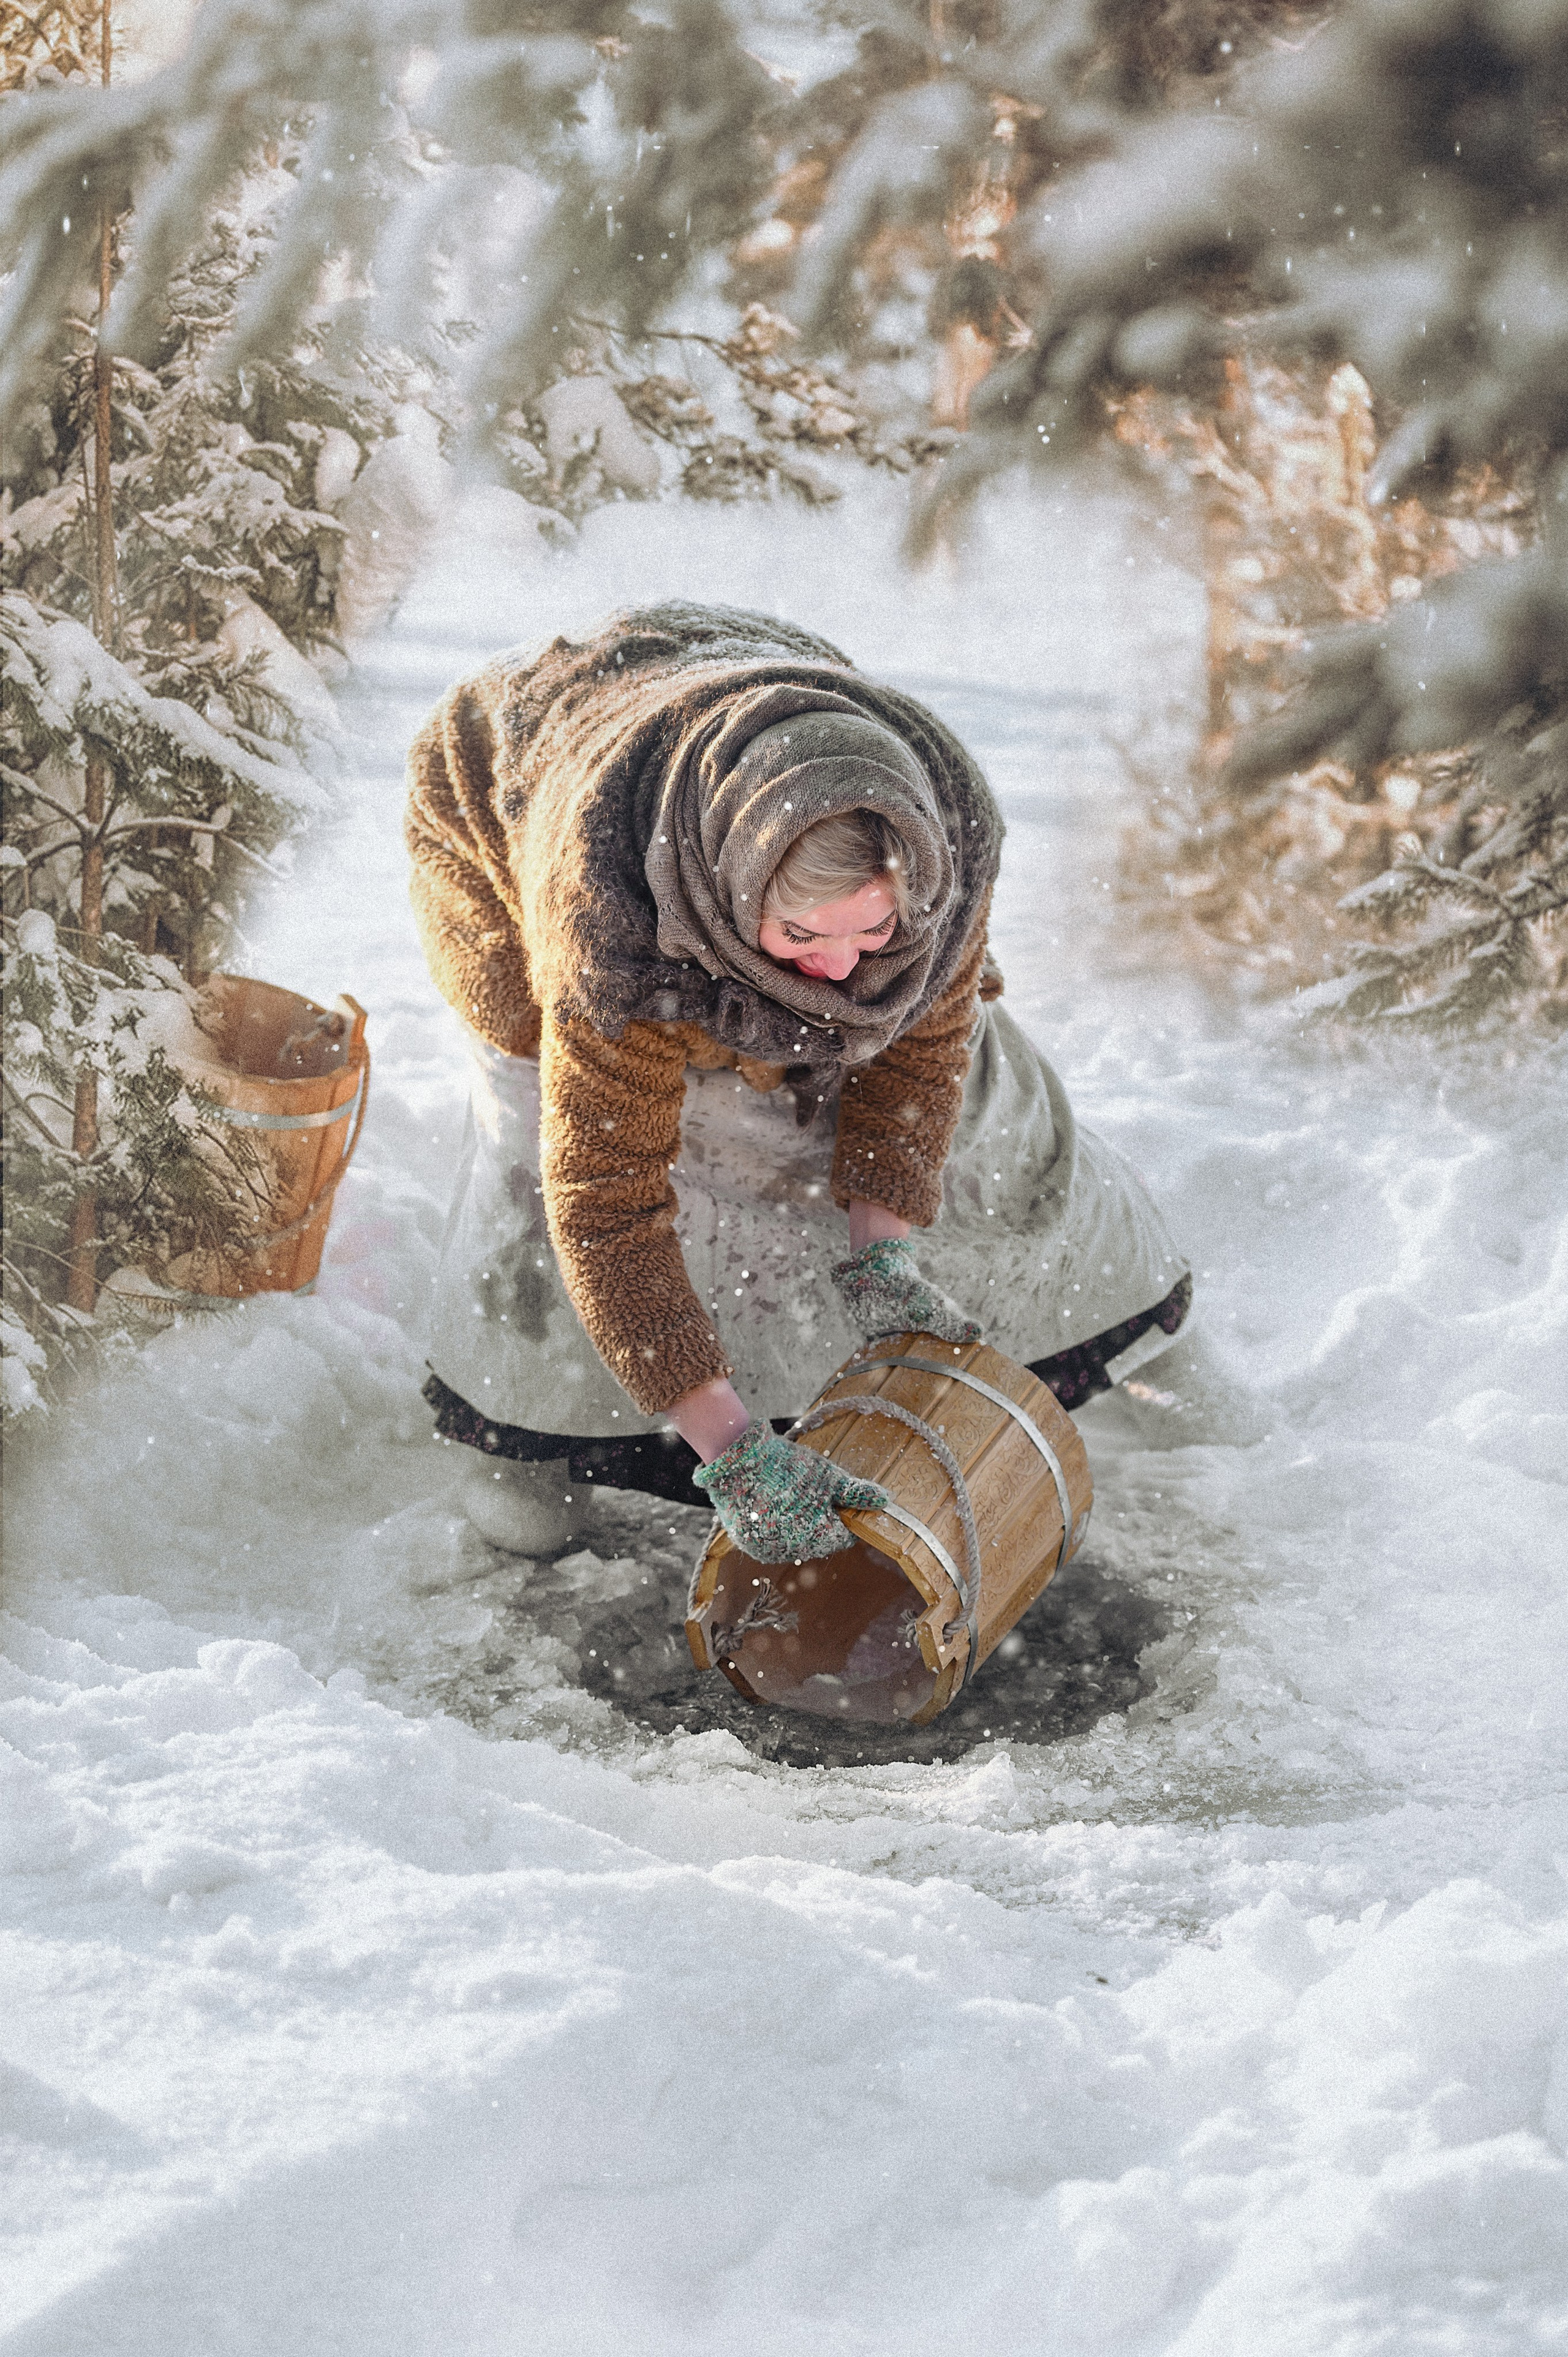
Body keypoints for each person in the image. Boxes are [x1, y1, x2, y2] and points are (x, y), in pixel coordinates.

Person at [406, 602, 1197, 1562]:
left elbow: (918, 1053)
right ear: (734, 896)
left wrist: (881, 1242)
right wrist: (733, 1449)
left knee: (960, 1081)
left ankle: (1120, 1330)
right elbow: (604, 1205)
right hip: (513, 786)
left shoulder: (950, 839)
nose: (840, 969)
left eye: (873, 932)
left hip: (753, 703)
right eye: (802, 938)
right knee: (553, 1125)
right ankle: (525, 1439)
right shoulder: (610, 925)